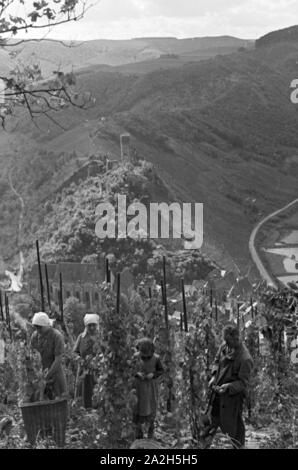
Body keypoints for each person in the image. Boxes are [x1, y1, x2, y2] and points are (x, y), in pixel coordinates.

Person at [204, 324, 253, 449]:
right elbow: (216, 361)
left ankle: (238, 446)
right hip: (217, 393)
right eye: (225, 341)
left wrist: (229, 386)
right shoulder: (224, 346)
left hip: (232, 398)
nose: (226, 344)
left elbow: (243, 383)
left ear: (237, 339)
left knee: (234, 425)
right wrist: (214, 376)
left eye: (229, 341)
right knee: (211, 420)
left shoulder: (245, 359)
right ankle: (203, 444)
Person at [131, 338, 164, 440]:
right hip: (138, 387)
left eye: (147, 354)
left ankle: (151, 430)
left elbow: (161, 370)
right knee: (137, 407)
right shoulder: (135, 357)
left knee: (151, 406)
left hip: (151, 387)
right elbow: (130, 369)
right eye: (142, 354)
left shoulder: (156, 358)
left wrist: (153, 374)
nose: (145, 356)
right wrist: (137, 374)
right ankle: (138, 430)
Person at [30, 312, 68, 400]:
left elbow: (58, 359)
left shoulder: (56, 336)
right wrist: (38, 375)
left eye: (40, 327)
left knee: (60, 399)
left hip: (55, 372)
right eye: (36, 327)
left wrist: (47, 375)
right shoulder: (34, 337)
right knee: (40, 401)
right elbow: (32, 355)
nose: (38, 329)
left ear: (47, 325)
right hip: (39, 375)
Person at [73, 313, 100, 410]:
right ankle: (84, 409)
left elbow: (105, 351)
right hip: (83, 369)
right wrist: (80, 359)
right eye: (89, 325)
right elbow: (75, 352)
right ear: (86, 326)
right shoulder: (81, 337)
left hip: (97, 368)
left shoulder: (100, 337)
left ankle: (97, 408)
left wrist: (98, 360)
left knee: (96, 389)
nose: (92, 327)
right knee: (84, 390)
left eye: (94, 325)